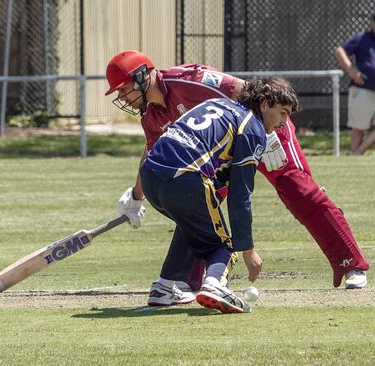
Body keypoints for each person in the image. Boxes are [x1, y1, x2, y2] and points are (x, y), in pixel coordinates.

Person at [106, 51, 369, 307]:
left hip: (265, 126)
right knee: (197, 202)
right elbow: (154, 152)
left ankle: (351, 265)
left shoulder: (187, 79)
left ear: (143, 76)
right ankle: (181, 280)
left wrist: (271, 137)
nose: (122, 97)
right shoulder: (151, 114)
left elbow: (248, 90)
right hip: (219, 153)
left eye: (124, 88)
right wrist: (136, 197)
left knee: (297, 188)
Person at [140, 78, 298, 313]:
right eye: (283, 113)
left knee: (194, 223)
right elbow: (239, 195)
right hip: (185, 177)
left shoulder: (218, 103)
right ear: (264, 104)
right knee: (222, 245)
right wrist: (248, 249)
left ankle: (166, 286)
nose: (284, 123)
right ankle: (215, 284)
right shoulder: (251, 127)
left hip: (150, 177)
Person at [335, 13, 375, 155]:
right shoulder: (362, 38)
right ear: (372, 23)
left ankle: (356, 153)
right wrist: (351, 70)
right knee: (359, 127)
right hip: (362, 89)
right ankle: (355, 155)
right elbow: (340, 51)